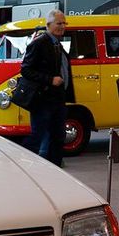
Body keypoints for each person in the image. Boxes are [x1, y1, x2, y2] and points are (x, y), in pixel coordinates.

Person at [20, 9, 74, 167]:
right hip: (42, 100)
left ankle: (54, 168)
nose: (62, 26)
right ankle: (23, 166)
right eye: (59, 23)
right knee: (37, 136)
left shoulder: (58, 45)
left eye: (64, 23)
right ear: (48, 25)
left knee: (58, 137)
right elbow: (25, 69)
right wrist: (50, 80)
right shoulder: (39, 43)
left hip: (57, 99)